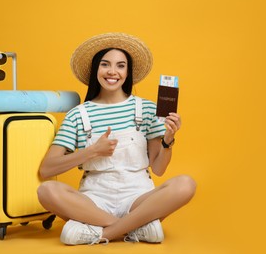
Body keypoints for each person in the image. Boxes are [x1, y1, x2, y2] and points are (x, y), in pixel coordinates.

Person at [37, 32, 196, 245]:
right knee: (47, 190)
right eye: (105, 64)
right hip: (93, 201)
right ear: (96, 70)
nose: (113, 72)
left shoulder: (147, 108)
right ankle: (136, 229)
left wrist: (168, 139)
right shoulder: (78, 114)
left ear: (128, 72)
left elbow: (158, 169)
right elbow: (47, 169)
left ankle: (101, 234)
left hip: (138, 199)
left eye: (120, 66)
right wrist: (92, 151)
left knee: (185, 184)